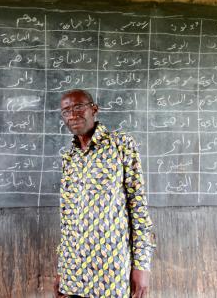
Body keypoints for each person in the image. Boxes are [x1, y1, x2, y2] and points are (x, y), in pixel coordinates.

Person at [54, 89, 155, 298]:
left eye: (78, 107)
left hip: (112, 271)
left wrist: (142, 266)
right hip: (73, 271)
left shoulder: (120, 145)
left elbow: (138, 209)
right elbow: (67, 221)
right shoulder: (69, 158)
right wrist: (61, 270)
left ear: (94, 109)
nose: (72, 115)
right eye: (66, 111)